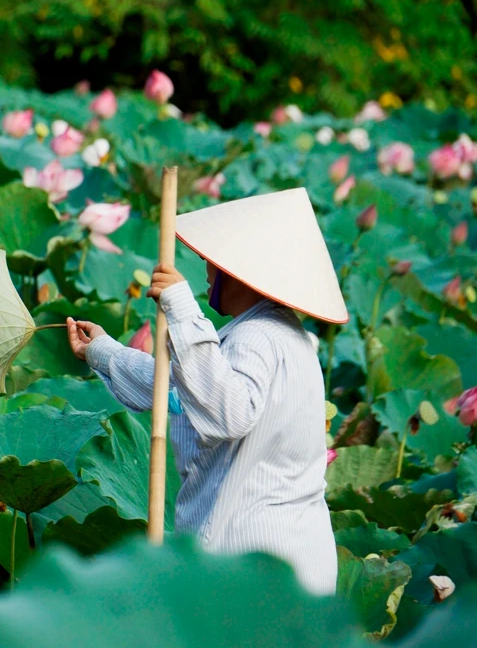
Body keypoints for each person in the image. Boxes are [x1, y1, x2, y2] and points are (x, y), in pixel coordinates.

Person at [65, 187, 348, 595]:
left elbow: (227, 413)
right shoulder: (290, 338)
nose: (207, 269)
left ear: (242, 271)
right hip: (297, 562)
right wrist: (103, 352)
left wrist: (182, 308)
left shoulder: (257, 338)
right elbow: (182, 390)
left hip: (250, 566)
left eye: (215, 262)